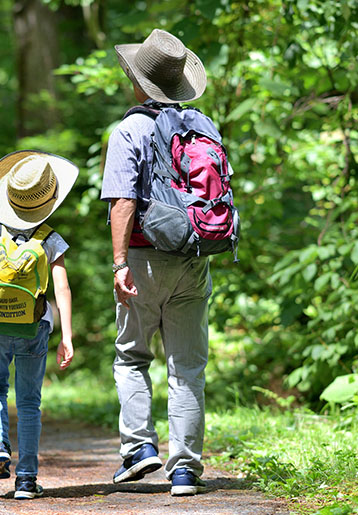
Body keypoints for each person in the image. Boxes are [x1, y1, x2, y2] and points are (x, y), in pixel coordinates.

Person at [101, 28, 213, 497]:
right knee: (187, 365)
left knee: (131, 357)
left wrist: (119, 262)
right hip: (193, 256)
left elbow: (123, 202)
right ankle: (185, 469)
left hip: (145, 257)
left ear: (137, 81)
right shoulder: (203, 126)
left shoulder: (129, 129)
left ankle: (139, 449)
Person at [0, 150, 77, 500]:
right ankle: (26, 479)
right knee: (29, 402)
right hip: (34, 326)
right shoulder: (50, 238)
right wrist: (67, 336)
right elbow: (62, 288)